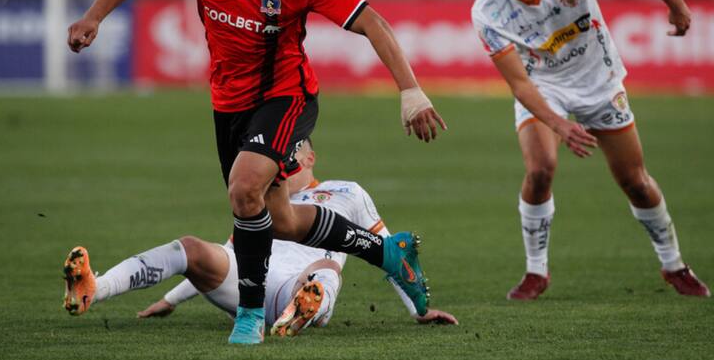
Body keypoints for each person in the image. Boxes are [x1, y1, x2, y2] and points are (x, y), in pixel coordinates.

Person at [67, 0, 446, 343]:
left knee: (244, 189)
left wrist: (411, 91)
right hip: (228, 105)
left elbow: (372, 21)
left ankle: (249, 317)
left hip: (286, 98)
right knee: (279, 219)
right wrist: (93, 17)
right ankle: (389, 254)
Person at [470, 0, 710, 301]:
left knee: (635, 180)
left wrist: (676, 3)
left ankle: (674, 264)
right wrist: (558, 124)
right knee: (541, 169)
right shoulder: (486, 11)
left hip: (599, 80)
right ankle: (536, 271)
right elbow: (518, 83)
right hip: (544, 86)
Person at [63, 139, 458, 336]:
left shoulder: (348, 193)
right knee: (191, 247)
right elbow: (230, 250)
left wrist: (417, 310)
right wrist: (170, 299)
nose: (281, 158)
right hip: (249, 284)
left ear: (309, 157)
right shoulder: (260, 195)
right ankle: (94, 289)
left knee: (323, 266)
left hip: (301, 282)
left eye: (291, 149)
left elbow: (388, 251)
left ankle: (301, 310)